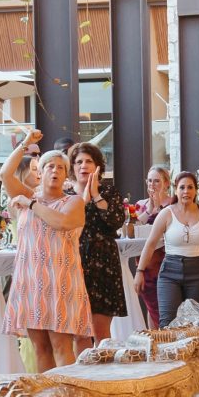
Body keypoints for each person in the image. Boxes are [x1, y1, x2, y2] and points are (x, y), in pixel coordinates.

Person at [2, 137, 92, 369]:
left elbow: (61, 222)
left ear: (66, 175)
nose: (55, 170)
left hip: (60, 280)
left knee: (61, 346)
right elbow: (5, 173)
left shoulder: (74, 201)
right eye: (50, 166)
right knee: (40, 348)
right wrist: (24, 145)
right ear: (40, 172)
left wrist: (31, 205)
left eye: (61, 167)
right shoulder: (28, 194)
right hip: (31, 280)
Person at [141, 170, 199, 324]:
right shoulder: (166, 213)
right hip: (170, 270)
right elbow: (150, 244)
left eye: (190, 187)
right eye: (182, 187)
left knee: (194, 323)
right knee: (167, 322)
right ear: (176, 190)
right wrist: (140, 271)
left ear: (196, 190)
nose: (186, 191)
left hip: (197, 272)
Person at [69, 143, 128, 340]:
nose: (83, 166)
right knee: (79, 334)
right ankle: (79, 372)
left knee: (101, 332)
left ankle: (105, 370)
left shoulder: (109, 193)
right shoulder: (65, 196)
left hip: (104, 266)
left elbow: (116, 221)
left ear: (97, 167)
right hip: (73, 264)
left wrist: (95, 195)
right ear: (72, 167)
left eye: (88, 161)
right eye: (78, 162)